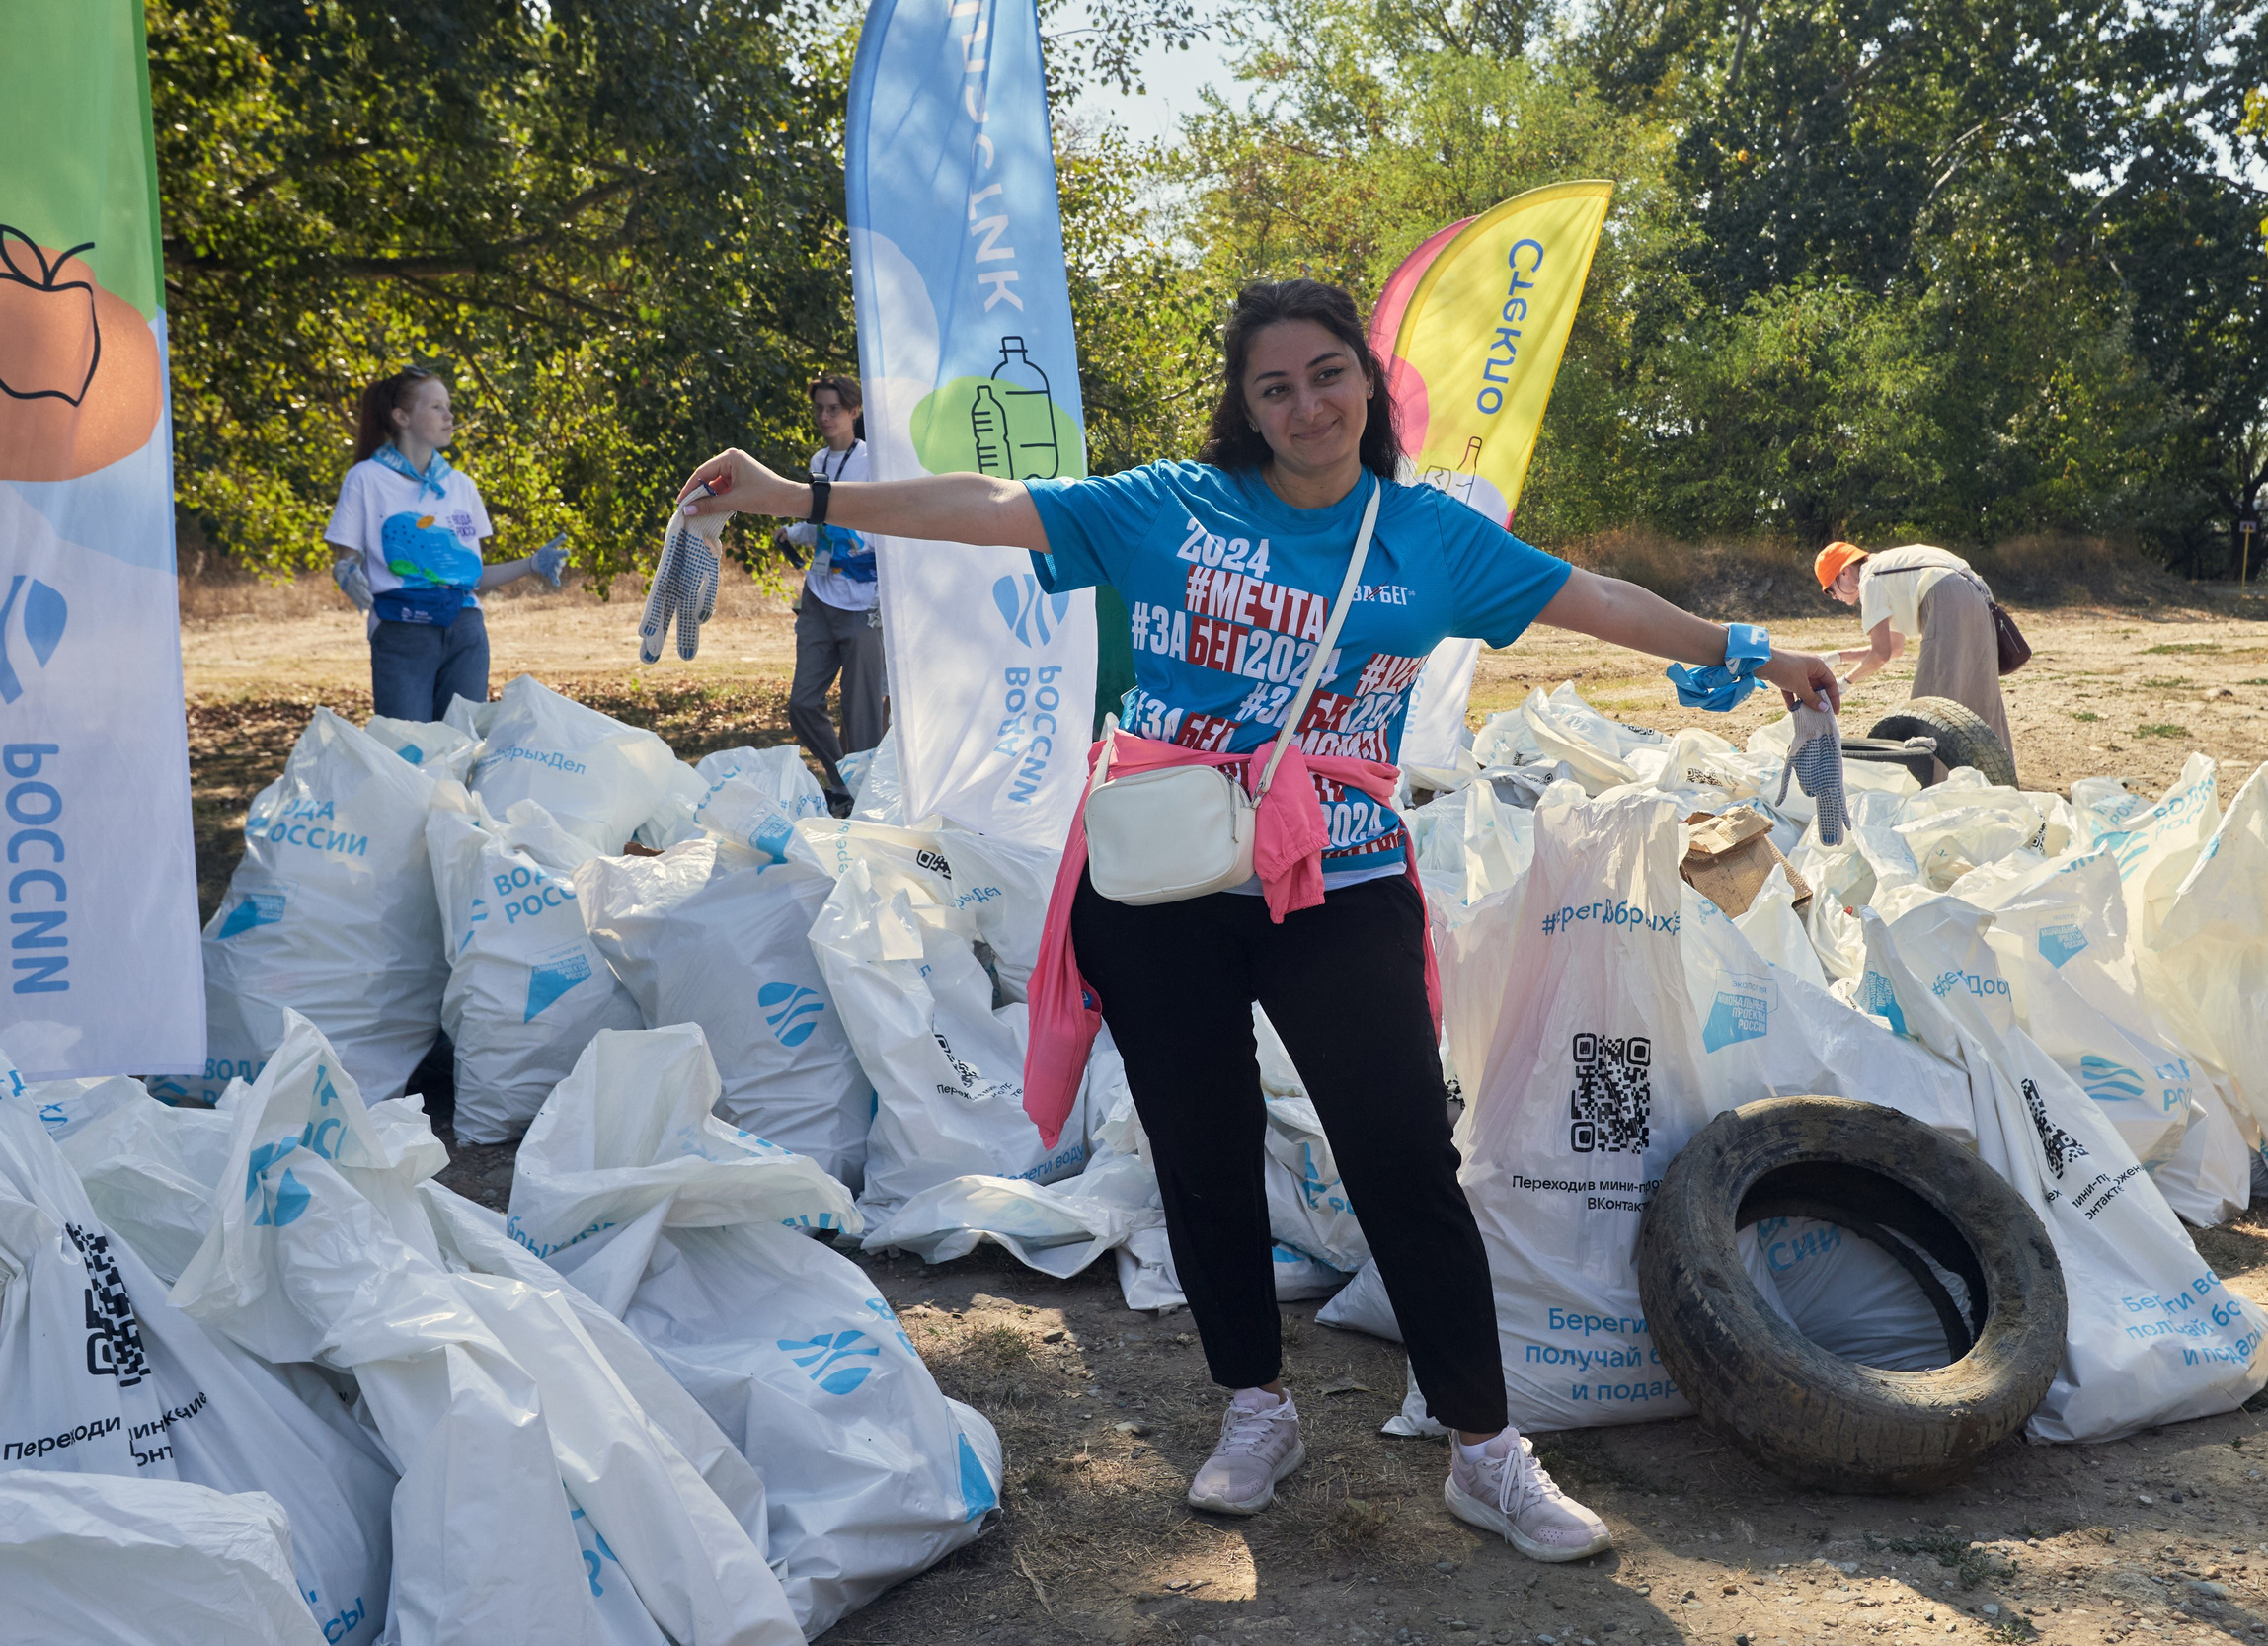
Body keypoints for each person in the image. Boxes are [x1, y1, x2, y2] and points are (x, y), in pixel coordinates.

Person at [677, 279, 1839, 1565]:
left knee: (1402, 1154)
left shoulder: (1425, 537)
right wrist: (800, 495)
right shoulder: (1169, 505)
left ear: (1370, 384)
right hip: (1165, 885)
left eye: (1328, 373)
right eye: (1274, 384)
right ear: (1243, 403)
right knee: (1204, 1147)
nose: (1306, 405)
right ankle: (1254, 1404)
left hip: (1341, 887)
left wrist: (1748, 645)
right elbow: (992, 508)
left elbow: (1597, 598)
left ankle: (1486, 1447)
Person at [328, 366, 565, 721]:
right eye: (437, 407)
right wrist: (345, 571)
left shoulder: (461, 485)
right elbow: (345, 557)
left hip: (466, 629)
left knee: (462, 751)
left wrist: (531, 564)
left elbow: (471, 576)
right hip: (402, 629)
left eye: (449, 406)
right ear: (401, 416)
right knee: (408, 751)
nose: (449, 416)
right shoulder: (366, 478)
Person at [777, 375, 886, 813]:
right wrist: (793, 532)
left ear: (854, 412)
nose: (824, 417)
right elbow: (820, 520)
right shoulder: (819, 459)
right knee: (802, 702)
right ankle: (843, 781)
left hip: (865, 603)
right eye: (819, 409)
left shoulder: (876, 462)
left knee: (861, 717)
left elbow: (890, 527)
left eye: (833, 409)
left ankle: (868, 802)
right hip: (820, 597)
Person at [1817, 540, 2015, 759]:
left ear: (1844, 572)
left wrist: (1843, 684)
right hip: (1978, 595)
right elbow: (1894, 648)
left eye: (1830, 590)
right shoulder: (1885, 568)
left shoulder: (1870, 578)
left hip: (1947, 594)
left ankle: (1930, 785)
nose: (1835, 598)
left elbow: (1880, 654)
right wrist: (1837, 657)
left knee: (1930, 707)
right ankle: (1997, 780)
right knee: (1982, 698)